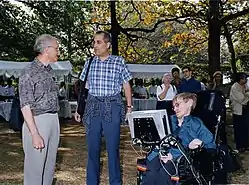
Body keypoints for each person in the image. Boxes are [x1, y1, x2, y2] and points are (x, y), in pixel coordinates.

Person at [74, 30, 132, 185]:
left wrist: (129, 106)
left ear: (108, 45)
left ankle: (115, 182)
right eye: (94, 42)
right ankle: (91, 182)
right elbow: (83, 87)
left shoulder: (118, 61)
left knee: (112, 149)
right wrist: (79, 109)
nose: (95, 45)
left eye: (98, 42)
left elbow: (126, 85)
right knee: (93, 149)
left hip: (112, 105)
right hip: (93, 106)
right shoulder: (89, 62)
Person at [142, 93, 216, 185]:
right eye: (173, 106)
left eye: (177, 105)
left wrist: (200, 144)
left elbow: (211, 145)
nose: (175, 109)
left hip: (180, 160)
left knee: (163, 174)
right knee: (151, 174)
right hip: (159, 155)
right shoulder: (167, 120)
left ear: (189, 103)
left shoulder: (196, 124)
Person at [19, 34, 60, 185]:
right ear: (47, 50)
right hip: (37, 121)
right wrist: (34, 133)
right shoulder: (28, 72)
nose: (58, 51)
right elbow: (25, 105)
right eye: (56, 48)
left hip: (53, 120)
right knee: (35, 170)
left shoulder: (49, 70)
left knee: (49, 168)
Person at [230, 72, 249, 153]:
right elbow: (242, 99)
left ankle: (246, 145)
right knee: (239, 128)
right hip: (238, 111)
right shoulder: (235, 87)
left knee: (246, 127)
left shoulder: (245, 86)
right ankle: (240, 146)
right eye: (244, 78)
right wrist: (247, 94)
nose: (246, 80)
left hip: (245, 110)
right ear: (240, 79)